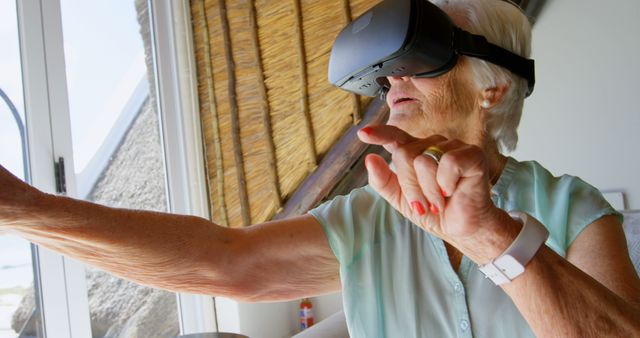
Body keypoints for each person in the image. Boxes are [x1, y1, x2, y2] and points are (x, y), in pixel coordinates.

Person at [0, 0, 639, 337]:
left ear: (492, 89)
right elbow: (225, 261)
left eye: (421, 54)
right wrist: (23, 207)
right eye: (387, 67)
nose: (392, 79)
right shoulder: (368, 213)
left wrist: (488, 238)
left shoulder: (573, 209)